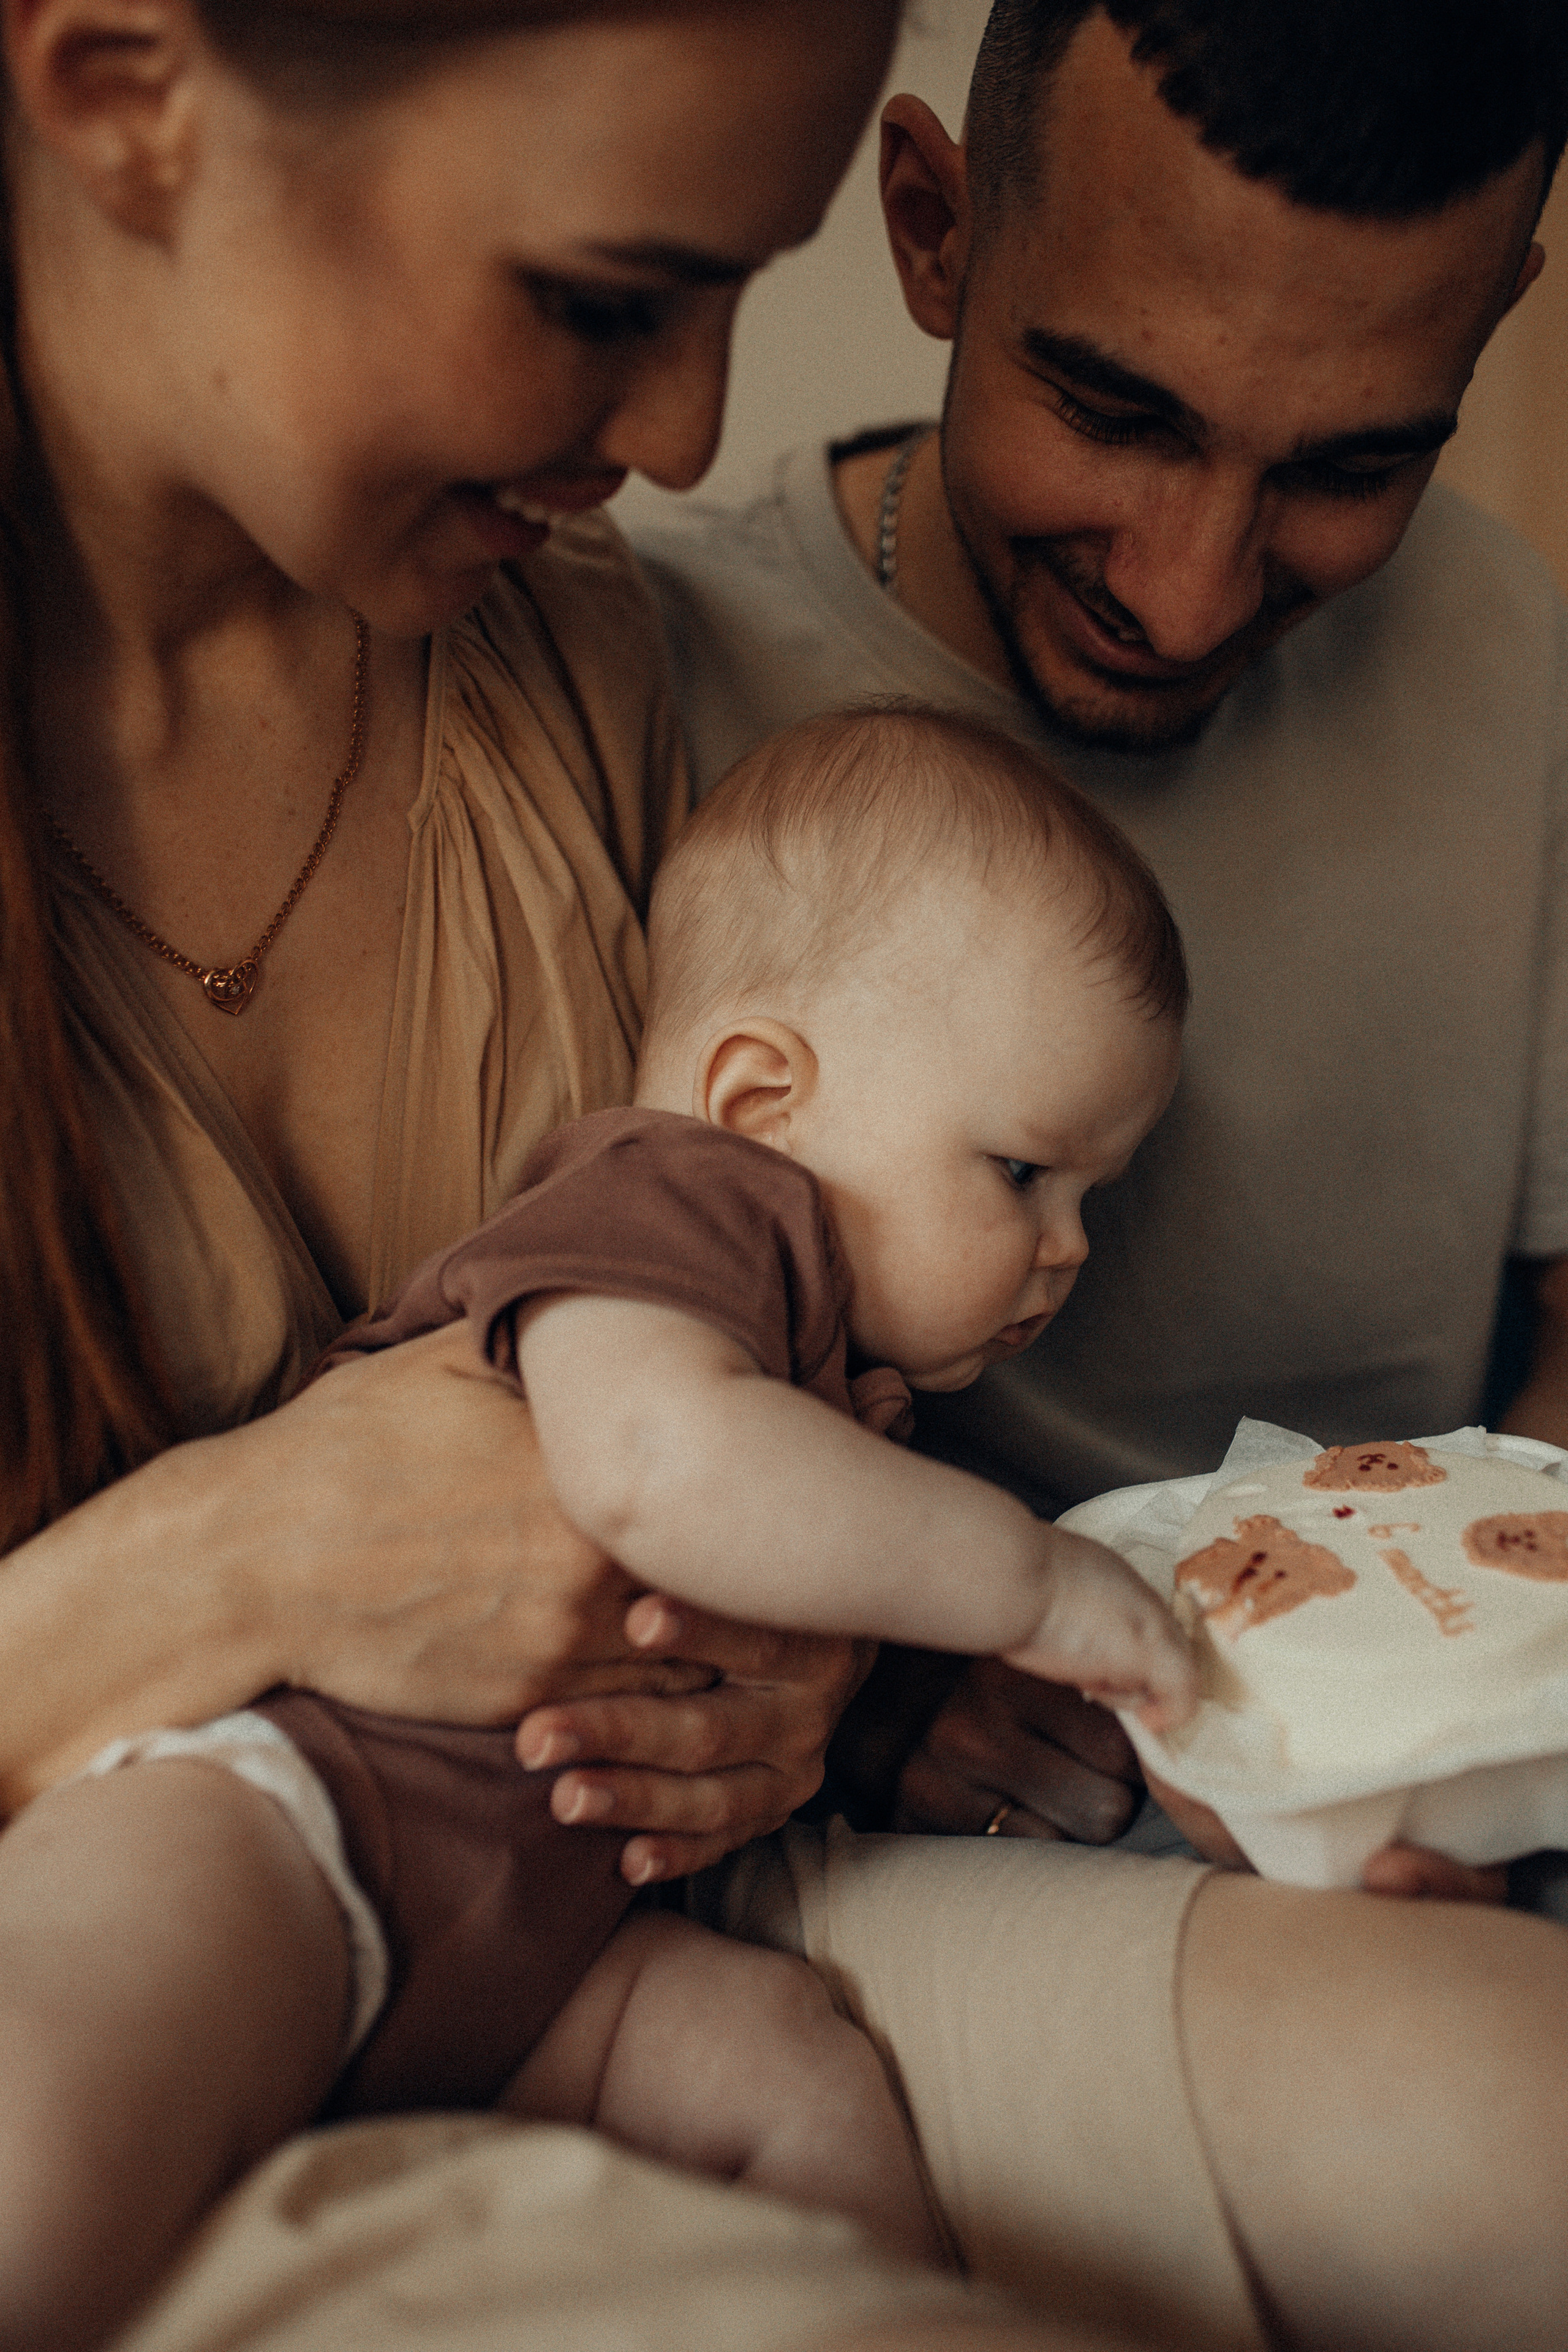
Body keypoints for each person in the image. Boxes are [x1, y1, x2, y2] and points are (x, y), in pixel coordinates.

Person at [0, 5, 1564, 2351]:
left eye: (737, 294)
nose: (682, 438)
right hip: (225, 1852)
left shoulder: (593, 661)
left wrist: (827, 1670)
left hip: (645, 1904)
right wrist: (233, 1558)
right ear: (128, 97)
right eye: (606, 296)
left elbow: (785, 1359)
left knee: (1508, 2124)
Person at [0, 706, 1199, 2347]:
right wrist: (1027, 1575)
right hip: (290, 1819)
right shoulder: (684, 1202)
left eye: (1094, 1202)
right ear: (763, 1094)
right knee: (54, 2146)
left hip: (545, 1938)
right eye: (1022, 1174)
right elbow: (656, 1467)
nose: (1064, 1252)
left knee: (803, 2076)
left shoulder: (834, 1360)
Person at [626, 0, 1568, 1864]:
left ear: (1499, 311)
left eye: (1348, 470)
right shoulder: (648, 685)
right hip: (956, 1825)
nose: (1192, 586)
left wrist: (1483, 1688)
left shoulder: (1502, 640)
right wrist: (884, 1672)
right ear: (932, 227)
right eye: (1117, 414)